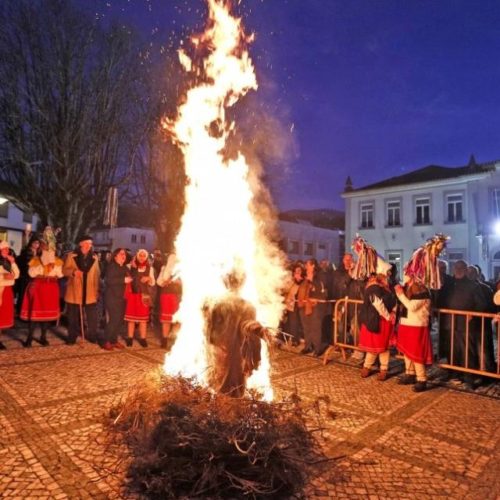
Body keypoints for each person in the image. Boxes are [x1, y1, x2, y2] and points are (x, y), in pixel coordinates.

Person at [204, 270, 265, 397]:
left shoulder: (217, 304)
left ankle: (218, 410)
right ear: (242, 284)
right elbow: (251, 334)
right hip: (238, 353)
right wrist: (255, 357)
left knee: (218, 382)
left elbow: (209, 331)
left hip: (220, 350)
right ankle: (230, 411)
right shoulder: (248, 306)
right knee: (235, 387)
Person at [20, 231, 64, 347]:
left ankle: (43, 337)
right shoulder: (35, 260)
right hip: (39, 287)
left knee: (47, 315)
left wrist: (52, 268)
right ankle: (29, 338)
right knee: (34, 314)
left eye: (51, 248)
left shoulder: (57, 261)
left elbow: (60, 275)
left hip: (51, 288)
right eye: (46, 247)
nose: (49, 250)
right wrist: (42, 267)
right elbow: (31, 273)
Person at [358, 259, 396, 381]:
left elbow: (393, 300)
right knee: (374, 346)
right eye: (388, 273)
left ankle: (383, 369)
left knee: (384, 347)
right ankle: (367, 366)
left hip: (383, 320)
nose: (389, 275)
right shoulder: (374, 287)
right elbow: (377, 303)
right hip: (377, 320)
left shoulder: (386, 287)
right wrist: (388, 316)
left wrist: (393, 311)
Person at [395, 278, 432, 392]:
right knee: (407, 351)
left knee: (417, 353)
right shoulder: (410, 289)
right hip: (407, 324)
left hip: (417, 326)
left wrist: (400, 295)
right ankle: (410, 374)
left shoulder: (422, 293)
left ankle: (421, 379)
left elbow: (411, 307)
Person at [62, 235, 100, 345]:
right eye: (87, 243)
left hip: (90, 291)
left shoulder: (94, 258)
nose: (89, 246)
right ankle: (72, 337)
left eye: (91, 244)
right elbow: (64, 270)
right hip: (75, 290)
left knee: (92, 316)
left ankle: (92, 335)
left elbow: (97, 275)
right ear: (80, 244)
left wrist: (97, 289)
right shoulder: (71, 256)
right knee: (73, 317)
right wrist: (73, 272)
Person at [101, 248, 131, 350]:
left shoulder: (125, 267)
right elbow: (109, 280)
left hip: (122, 298)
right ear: (115, 256)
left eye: (125, 254)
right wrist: (123, 280)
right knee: (113, 320)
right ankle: (106, 341)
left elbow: (130, 277)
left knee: (119, 320)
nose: (124, 256)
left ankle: (114, 340)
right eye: (121, 254)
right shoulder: (111, 266)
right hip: (112, 297)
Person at [297, 258, 329, 356]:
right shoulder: (306, 275)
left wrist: (312, 281)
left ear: (313, 265)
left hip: (316, 306)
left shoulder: (320, 276)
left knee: (315, 327)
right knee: (306, 327)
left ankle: (317, 348)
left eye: (308, 264)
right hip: (304, 305)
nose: (306, 267)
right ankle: (308, 346)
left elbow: (323, 291)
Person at [124, 248, 155, 347]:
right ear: (137, 256)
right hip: (132, 295)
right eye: (140, 255)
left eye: (144, 256)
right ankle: (129, 338)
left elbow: (153, 282)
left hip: (144, 295)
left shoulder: (150, 268)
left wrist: (148, 278)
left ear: (146, 257)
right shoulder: (129, 266)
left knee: (143, 319)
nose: (142, 257)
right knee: (131, 319)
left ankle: (143, 338)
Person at [156, 253, 182, 349]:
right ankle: (165, 339)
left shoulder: (182, 269)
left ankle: (175, 340)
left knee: (178, 320)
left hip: (178, 296)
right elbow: (158, 282)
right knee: (166, 319)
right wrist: (164, 281)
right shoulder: (164, 268)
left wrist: (177, 282)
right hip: (166, 295)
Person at [0, 241, 20, 349]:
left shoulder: (9, 261)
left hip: (7, 291)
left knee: (2, 316)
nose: (7, 250)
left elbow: (16, 275)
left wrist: (13, 263)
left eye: (8, 248)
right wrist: (4, 277)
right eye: (4, 249)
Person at [15, 235, 41, 316]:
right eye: (35, 243)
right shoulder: (26, 252)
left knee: (32, 296)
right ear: (31, 243)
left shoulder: (38, 253)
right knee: (24, 295)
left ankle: (30, 313)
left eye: (38, 243)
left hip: (34, 277)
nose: (37, 245)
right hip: (25, 277)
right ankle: (21, 313)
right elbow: (24, 264)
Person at [282, 263, 304, 346]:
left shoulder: (303, 280)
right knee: (292, 322)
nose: (298, 272)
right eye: (297, 271)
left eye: (300, 270)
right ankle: (293, 339)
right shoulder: (291, 281)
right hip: (291, 305)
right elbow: (286, 290)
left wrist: (299, 280)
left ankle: (298, 338)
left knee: (299, 323)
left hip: (300, 304)